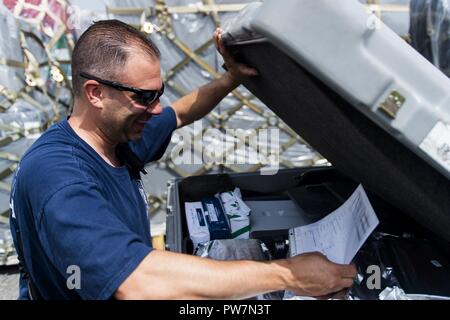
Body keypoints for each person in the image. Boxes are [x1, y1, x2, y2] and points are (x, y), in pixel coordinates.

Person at [9, 19, 356, 300]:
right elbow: (136, 283)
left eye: (157, 93)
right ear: (95, 93)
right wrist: (288, 274)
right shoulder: (59, 178)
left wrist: (232, 78)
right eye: (144, 97)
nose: (156, 107)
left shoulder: (116, 136)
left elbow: (179, 113)